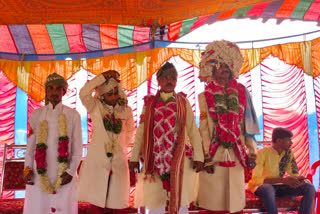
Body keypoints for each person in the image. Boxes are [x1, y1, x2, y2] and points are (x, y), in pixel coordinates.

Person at [129, 62, 204, 214]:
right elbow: (141, 132)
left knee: (181, 203)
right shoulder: (149, 104)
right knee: (156, 203)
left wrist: (199, 156)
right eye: (165, 78)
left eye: (173, 78)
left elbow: (192, 131)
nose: (170, 81)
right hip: (154, 161)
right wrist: (134, 158)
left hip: (181, 160)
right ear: (159, 80)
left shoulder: (183, 102)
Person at [197, 40, 260, 213]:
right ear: (213, 69)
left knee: (234, 202)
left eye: (227, 65)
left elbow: (249, 126)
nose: (225, 69)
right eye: (220, 65)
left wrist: (252, 152)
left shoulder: (242, 92)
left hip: (236, 153)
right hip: (214, 155)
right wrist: (206, 157)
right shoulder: (204, 96)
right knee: (213, 202)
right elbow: (203, 128)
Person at [77, 70, 135, 214]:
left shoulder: (125, 110)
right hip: (98, 162)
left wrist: (121, 147)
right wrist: (103, 77)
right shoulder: (95, 106)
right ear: (102, 95)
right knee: (98, 204)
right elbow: (84, 93)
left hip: (118, 161)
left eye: (116, 92)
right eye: (110, 94)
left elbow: (130, 132)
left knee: (118, 204)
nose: (114, 96)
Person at [23, 73, 83, 214]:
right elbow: (31, 146)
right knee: (38, 208)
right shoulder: (36, 115)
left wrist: (70, 171)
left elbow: (77, 148)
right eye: (50, 88)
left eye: (58, 89)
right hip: (39, 173)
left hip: (64, 173)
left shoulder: (73, 115)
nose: (54, 92)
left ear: (64, 91)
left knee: (64, 208)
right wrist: (27, 168)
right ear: (46, 91)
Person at [248, 127, 316, 214]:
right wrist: (283, 180)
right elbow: (256, 180)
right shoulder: (261, 153)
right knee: (268, 188)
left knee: (309, 187)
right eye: (288, 140)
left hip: (280, 186)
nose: (291, 143)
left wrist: (299, 179)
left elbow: (294, 174)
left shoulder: (288, 153)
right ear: (279, 141)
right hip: (262, 187)